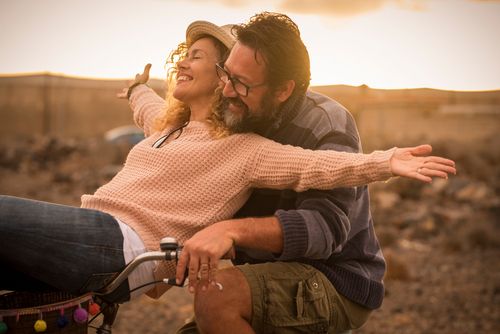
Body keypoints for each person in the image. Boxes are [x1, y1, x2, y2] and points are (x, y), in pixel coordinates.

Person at [0, 17, 454, 319]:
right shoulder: (169, 127)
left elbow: (316, 168)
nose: (222, 82)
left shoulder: (245, 146)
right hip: (93, 226)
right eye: (223, 72)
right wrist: (138, 87)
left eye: (224, 72)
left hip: (120, 243)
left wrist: (385, 161)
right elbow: (147, 107)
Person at [160, 13, 455, 334]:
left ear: (283, 90)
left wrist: (231, 232)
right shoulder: (234, 113)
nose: (228, 91)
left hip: (336, 279)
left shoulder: (326, 122)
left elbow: (326, 228)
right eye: (225, 74)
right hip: (267, 274)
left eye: (241, 83)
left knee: (218, 298)